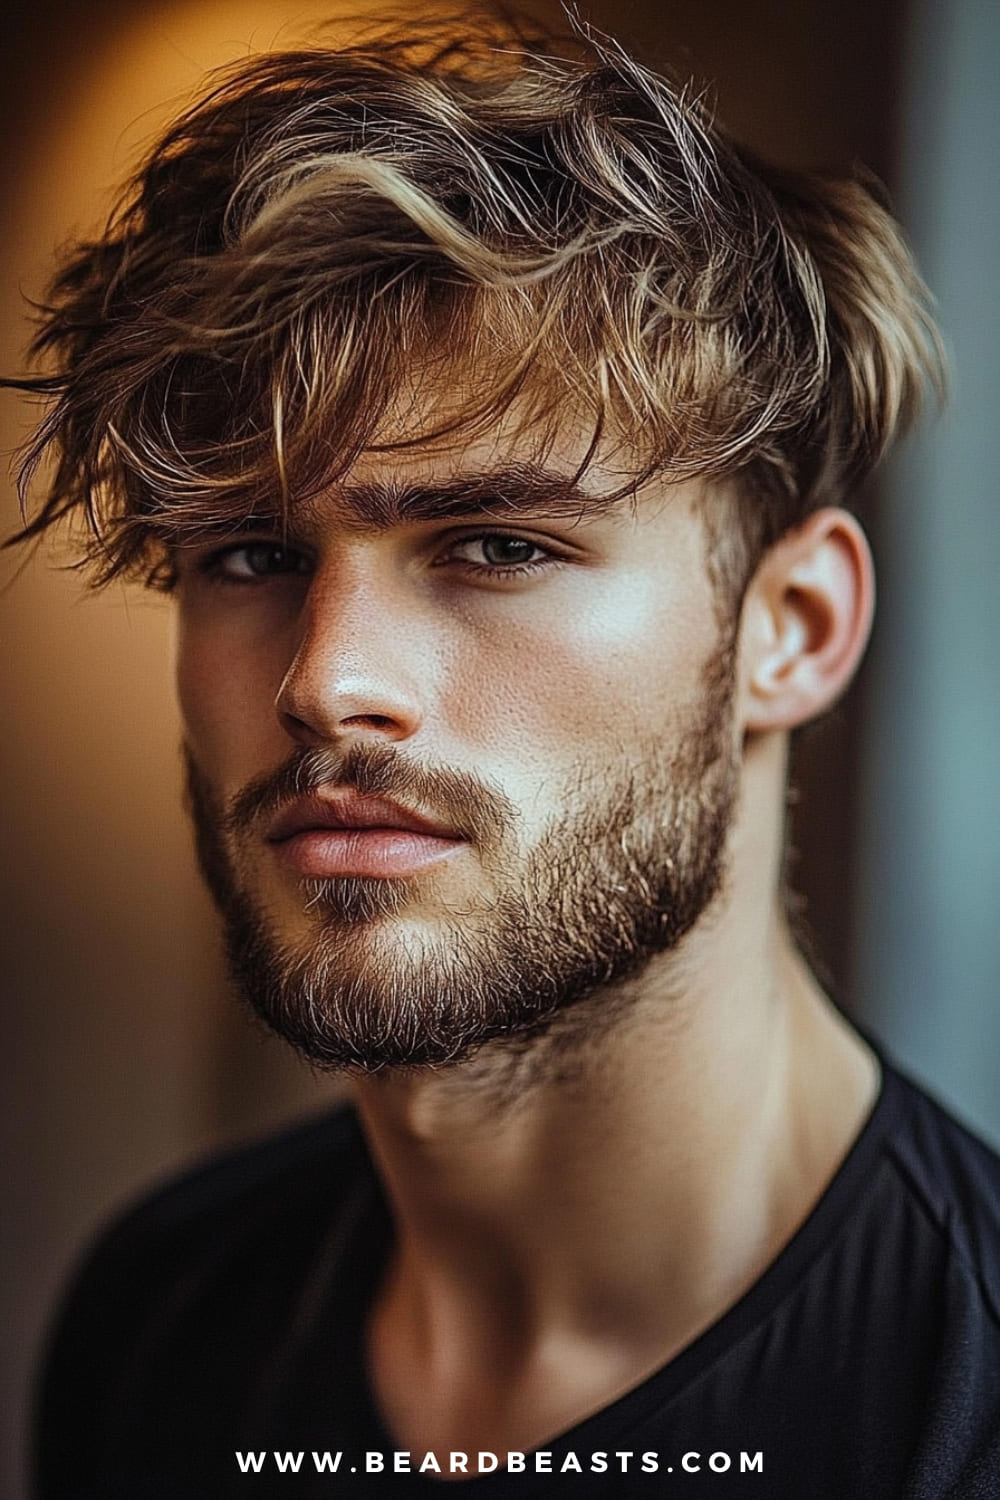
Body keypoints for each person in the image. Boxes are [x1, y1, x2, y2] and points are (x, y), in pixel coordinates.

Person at [10, 13, 1000, 1499]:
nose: (327, 681)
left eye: (494, 544)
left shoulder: (963, 1409)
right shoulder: (158, 1315)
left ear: (788, 630)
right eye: (252, 552)